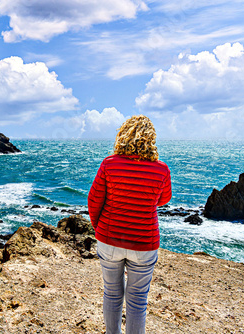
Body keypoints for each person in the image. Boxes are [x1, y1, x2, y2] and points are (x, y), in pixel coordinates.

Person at [88, 115, 171, 334]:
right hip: (144, 242)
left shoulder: (109, 163)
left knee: (112, 294)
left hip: (110, 239)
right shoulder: (161, 169)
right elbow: (163, 199)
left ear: (123, 135)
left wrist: (99, 229)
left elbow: (94, 200)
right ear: (151, 139)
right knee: (137, 301)